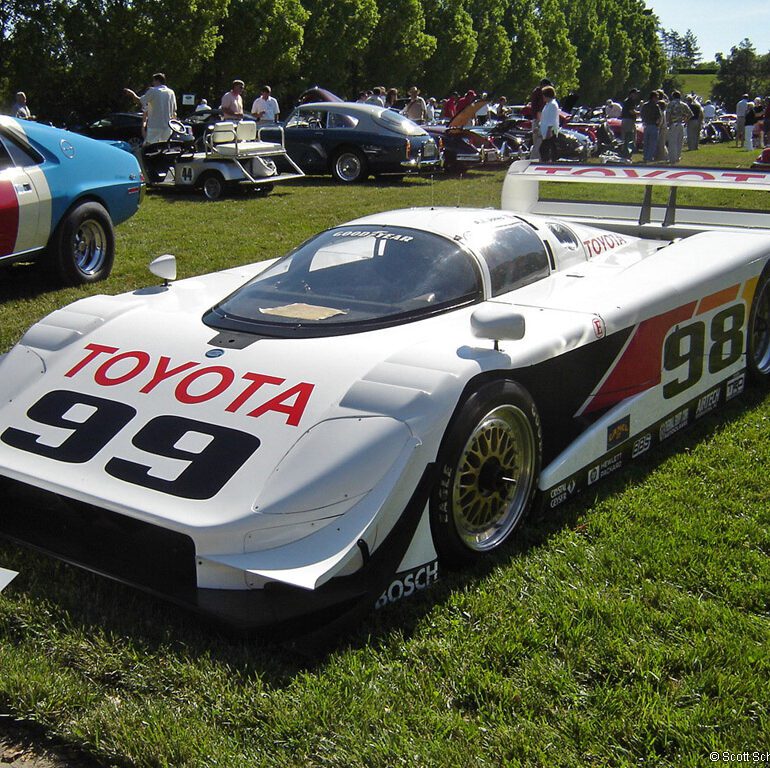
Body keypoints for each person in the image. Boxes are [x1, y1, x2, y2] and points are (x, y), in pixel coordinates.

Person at [124, 72, 177, 144]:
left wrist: (132, 94)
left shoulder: (153, 90)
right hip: (167, 126)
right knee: (164, 147)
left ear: (157, 81)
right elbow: (174, 111)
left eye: (153, 81)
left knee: (148, 146)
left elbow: (139, 100)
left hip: (155, 126)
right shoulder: (171, 92)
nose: (153, 83)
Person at [665, 90, 693, 164]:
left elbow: (668, 114)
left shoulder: (671, 104)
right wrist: (685, 120)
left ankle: (672, 158)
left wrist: (667, 122)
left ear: (673, 96)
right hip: (681, 124)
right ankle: (678, 157)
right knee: (679, 142)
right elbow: (690, 114)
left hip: (673, 124)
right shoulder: (684, 104)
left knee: (672, 142)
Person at [529, 78, 551, 160]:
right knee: (538, 141)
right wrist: (539, 123)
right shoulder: (539, 93)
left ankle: (537, 158)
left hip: (538, 119)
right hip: (538, 119)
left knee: (538, 141)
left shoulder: (537, 92)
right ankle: (534, 158)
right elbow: (538, 110)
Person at [539, 85, 560, 163]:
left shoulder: (553, 105)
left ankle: (548, 162)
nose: (543, 97)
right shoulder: (547, 105)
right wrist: (538, 127)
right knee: (546, 149)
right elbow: (545, 118)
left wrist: (549, 130)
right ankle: (548, 161)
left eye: (543, 95)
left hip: (551, 131)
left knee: (544, 149)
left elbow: (552, 119)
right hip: (546, 131)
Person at [639, 91, 662, 163]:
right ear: (653, 97)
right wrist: (658, 124)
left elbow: (641, 114)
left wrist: (644, 121)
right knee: (652, 143)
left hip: (646, 125)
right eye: (657, 97)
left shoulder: (645, 105)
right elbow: (659, 117)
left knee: (646, 142)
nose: (658, 99)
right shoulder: (656, 106)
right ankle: (649, 157)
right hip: (653, 126)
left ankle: (645, 156)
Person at [620, 88, 640, 159]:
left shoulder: (628, 101)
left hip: (626, 120)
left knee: (626, 137)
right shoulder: (630, 101)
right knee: (628, 136)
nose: (637, 95)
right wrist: (639, 113)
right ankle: (626, 152)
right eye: (635, 94)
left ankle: (625, 152)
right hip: (628, 120)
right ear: (632, 94)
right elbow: (631, 111)